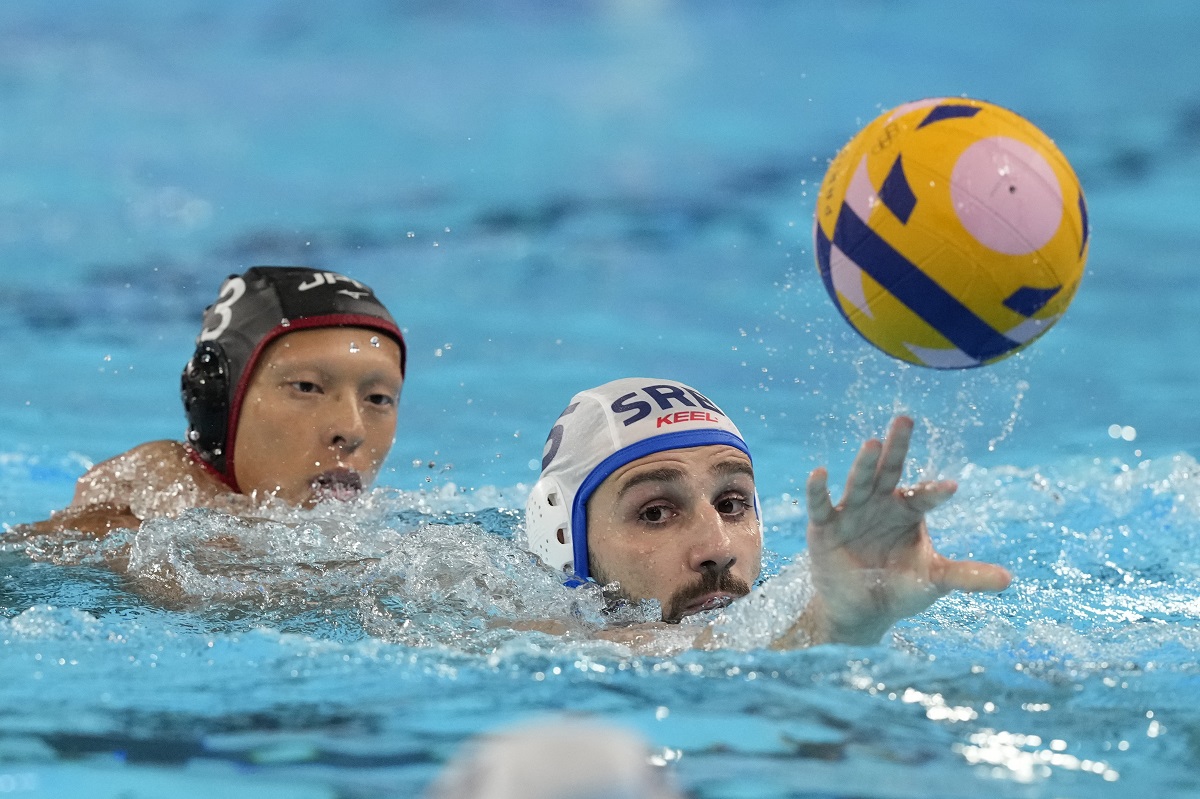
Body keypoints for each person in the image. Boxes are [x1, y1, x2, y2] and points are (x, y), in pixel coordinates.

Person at [524, 377, 1012, 648]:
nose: (717, 550)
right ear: (563, 537)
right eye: (655, 513)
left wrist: (857, 614)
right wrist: (834, 630)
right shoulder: (490, 631)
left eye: (732, 504)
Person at [18, 266, 407, 538]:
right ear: (217, 402)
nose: (351, 431)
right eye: (306, 387)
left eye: (378, 398)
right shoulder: (157, 488)